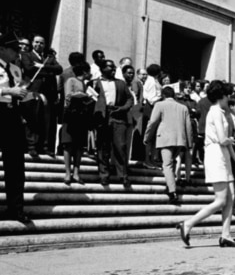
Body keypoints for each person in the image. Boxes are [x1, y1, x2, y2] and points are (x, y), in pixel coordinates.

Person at [176, 80, 235, 247]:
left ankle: (225, 235)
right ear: (221, 96)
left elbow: (225, 141)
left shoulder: (222, 112)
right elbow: (222, 139)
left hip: (223, 155)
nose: (229, 98)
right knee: (221, 199)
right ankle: (188, 223)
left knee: (231, 197)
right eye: (227, 95)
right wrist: (232, 142)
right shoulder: (215, 112)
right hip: (215, 154)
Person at [0, 34, 30, 223]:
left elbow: (18, 91)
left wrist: (25, 94)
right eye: (13, 49)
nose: (17, 53)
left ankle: (16, 209)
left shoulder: (15, 69)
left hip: (12, 116)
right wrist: (8, 91)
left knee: (16, 166)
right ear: (2, 48)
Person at [144, 86, 193, 204]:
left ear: (163, 95)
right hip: (180, 140)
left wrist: (147, 137)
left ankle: (172, 191)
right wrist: (189, 143)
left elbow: (153, 122)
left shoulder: (159, 105)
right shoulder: (183, 107)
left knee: (167, 164)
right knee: (172, 162)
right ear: (174, 95)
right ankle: (171, 184)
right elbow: (188, 126)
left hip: (165, 138)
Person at [92, 59, 134, 187]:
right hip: (103, 117)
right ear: (102, 69)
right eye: (110, 67)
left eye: (114, 67)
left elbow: (130, 98)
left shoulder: (120, 83)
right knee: (103, 147)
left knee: (120, 146)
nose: (113, 69)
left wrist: (123, 108)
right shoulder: (95, 83)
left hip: (118, 116)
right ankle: (104, 175)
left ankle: (123, 175)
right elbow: (89, 99)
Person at [21, 35, 63, 155]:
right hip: (33, 91)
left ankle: (45, 147)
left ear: (45, 45)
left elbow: (59, 69)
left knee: (46, 120)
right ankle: (31, 146)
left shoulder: (49, 57)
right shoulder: (26, 55)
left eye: (41, 43)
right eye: (36, 42)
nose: (38, 45)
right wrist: (50, 71)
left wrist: (43, 66)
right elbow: (29, 69)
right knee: (32, 118)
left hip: (48, 93)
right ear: (32, 43)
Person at [61, 62, 93, 185]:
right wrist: (83, 95)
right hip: (71, 115)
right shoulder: (71, 80)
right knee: (68, 144)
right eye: (88, 72)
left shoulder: (85, 84)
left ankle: (76, 172)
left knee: (79, 146)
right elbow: (68, 96)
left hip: (82, 116)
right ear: (84, 72)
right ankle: (68, 173)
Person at [142, 63, 162, 169]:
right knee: (149, 135)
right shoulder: (151, 82)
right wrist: (161, 96)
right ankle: (147, 159)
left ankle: (152, 159)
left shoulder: (154, 81)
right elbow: (151, 98)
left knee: (154, 136)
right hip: (151, 108)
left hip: (154, 108)